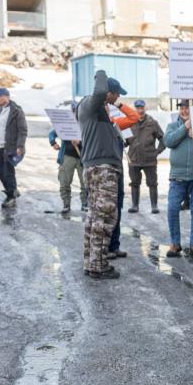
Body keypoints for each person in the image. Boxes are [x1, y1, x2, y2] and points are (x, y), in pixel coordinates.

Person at [77, 71, 126, 279]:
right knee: (104, 216)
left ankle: (92, 262)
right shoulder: (91, 104)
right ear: (108, 93)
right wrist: (100, 73)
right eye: (116, 95)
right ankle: (98, 265)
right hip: (102, 169)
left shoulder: (100, 112)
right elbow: (98, 89)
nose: (118, 99)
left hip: (100, 167)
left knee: (95, 216)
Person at [164, 100, 193, 257]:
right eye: (182, 108)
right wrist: (186, 127)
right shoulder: (172, 126)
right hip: (178, 176)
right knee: (173, 208)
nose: (184, 111)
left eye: (187, 108)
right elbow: (168, 141)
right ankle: (175, 243)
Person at [106, 99, 139, 260]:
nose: (107, 110)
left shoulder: (115, 123)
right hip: (104, 172)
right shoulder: (95, 125)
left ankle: (114, 245)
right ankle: (104, 247)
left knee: (117, 209)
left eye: (108, 107)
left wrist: (118, 104)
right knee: (105, 211)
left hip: (118, 170)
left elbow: (133, 117)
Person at [0, 88, 27, 209]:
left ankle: (11, 197)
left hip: (9, 147)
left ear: (6, 97)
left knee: (8, 173)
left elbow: (23, 130)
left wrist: (20, 145)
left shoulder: (16, 111)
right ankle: (12, 190)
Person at [126, 100, 165, 214]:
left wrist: (157, 152)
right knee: (134, 183)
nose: (140, 110)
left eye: (141, 108)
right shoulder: (130, 123)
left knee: (152, 183)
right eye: (137, 108)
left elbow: (162, 138)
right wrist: (121, 142)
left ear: (145, 108)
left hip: (149, 160)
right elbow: (126, 141)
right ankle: (134, 205)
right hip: (133, 159)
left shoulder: (152, 123)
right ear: (135, 109)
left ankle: (154, 206)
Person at [49, 103, 85, 213]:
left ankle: (85, 204)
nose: (75, 112)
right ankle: (66, 204)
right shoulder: (65, 123)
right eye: (73, 110)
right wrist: (53, 142)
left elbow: (91, 138)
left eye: (77, 110)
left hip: (82, 157)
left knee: (85, 183)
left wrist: (80, 142)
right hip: (67, 156)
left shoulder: (85, 123)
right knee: (64, 182)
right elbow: (52, 133)